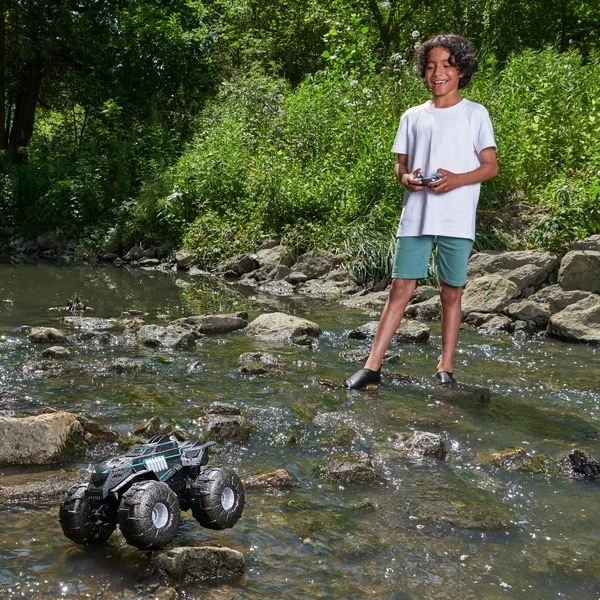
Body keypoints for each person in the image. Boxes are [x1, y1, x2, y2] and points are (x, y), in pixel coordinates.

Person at [344, 33, 498, 390]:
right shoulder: (412, 116)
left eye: (447, 65)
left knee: (451, 291)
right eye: (430, 66)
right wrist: (406, 178)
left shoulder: (475, 114)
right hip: (416, 213)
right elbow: (400, 165)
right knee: (400, 287)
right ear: (423, 72)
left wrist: (458, 179)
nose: (437, 73)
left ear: (462, 70)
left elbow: (490, 166)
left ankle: (446, 366)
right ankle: (372, 366)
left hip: (457, 215)